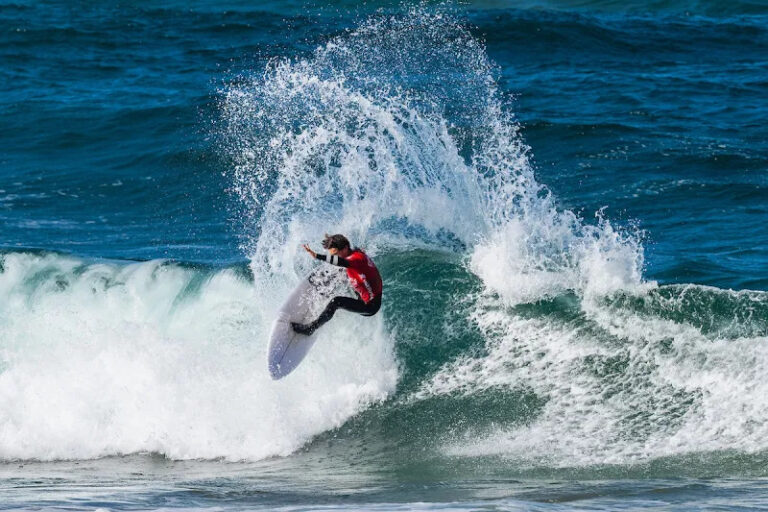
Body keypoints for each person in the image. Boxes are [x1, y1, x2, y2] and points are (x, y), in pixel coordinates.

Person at [291, 234, 383, 336]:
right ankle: (324, 290)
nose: (334, 256)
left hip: (370, 305)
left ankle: (311, 328)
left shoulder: (355, 259)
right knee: (339, 273)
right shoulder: (354, 253)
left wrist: (317, 256)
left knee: (336, 301)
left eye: (335, 254)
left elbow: (340, 261)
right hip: (365, 291)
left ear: (345, 248)